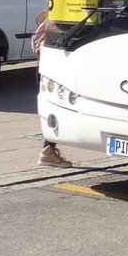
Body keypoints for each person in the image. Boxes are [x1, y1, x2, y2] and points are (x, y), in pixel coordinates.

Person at [31, 10, 72, 167]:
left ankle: (48, 150)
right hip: (58, 58)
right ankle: (47, 151)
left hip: (48, 58)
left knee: (52, 104)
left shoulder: (60, 2)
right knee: (55, 105)